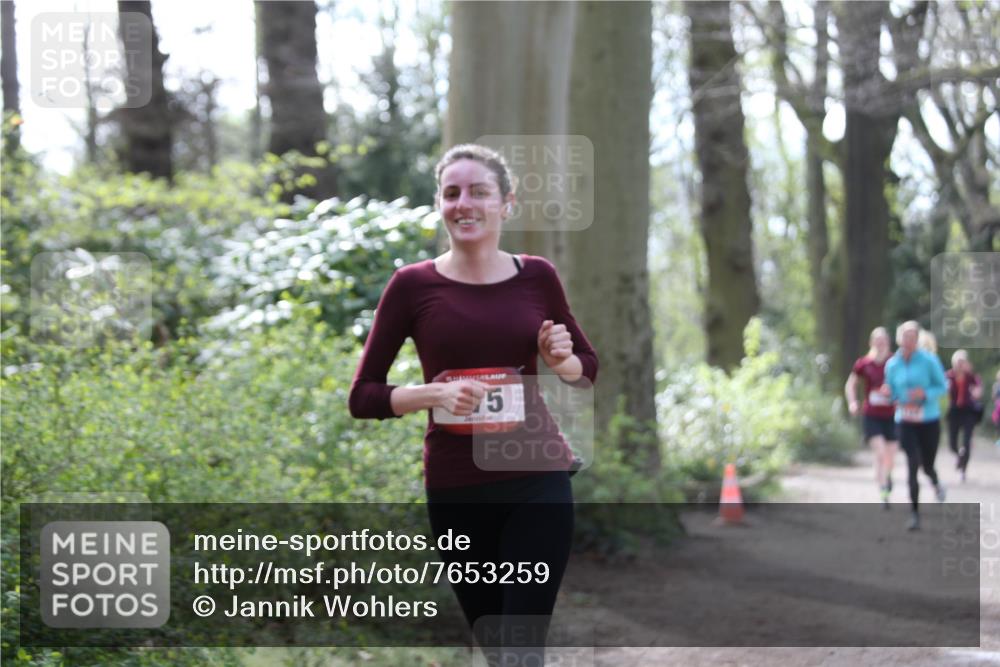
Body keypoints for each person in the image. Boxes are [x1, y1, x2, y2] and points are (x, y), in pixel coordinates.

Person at [348, 144, 598, 665]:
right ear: (439, 203)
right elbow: (363, 395)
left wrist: (561, 361)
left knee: (522, 650)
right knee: (496, 649)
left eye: (479, 192)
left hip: (536, 476)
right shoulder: (412, 285)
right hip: (456, 486)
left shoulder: (537, 276)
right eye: (452, 192)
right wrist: (431, 394)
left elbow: (585, 368)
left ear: (506, 203)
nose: (465, 203)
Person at [881, 321, 947, 531]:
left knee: (926, 465)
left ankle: (935, 481)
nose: (909, 340)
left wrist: (925, 394)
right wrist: (890, 395)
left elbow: (943, 385)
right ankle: (914, 513)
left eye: (913, 336)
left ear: (918, 339)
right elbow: (890, 390)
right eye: (906, 336)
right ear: (899, 338)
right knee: (912, 462)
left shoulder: (929, 360)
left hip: (928, 420)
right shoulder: (892, 364)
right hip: (905, 420)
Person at [845, 327, 898, 509]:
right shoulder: (863, 363)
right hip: (872, 415)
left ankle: (886, 475)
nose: (880, 344)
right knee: (881, 452)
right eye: (877, 341)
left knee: (890, 456)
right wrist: (853, 402)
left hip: (893, 415)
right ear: (871, 343)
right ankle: (883, 491)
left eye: (883, 341)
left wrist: (894, 391)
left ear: (888, 343)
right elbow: (851, 384)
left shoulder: (895, 362)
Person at [946, 350, 983, 482]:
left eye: (962, 362)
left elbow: (978, 389)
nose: (960, 365)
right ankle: (959, 456)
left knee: (967, 442)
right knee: (952, 443)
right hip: (954, 412)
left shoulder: (971, 377)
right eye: (958, 362)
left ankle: (963, 470)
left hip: (968, 412)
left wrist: (976, 392)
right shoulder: (948, 377)